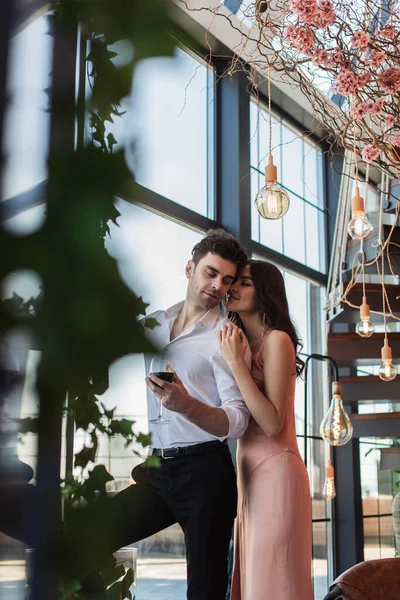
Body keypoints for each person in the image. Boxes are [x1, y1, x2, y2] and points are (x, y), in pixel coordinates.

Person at [91, 229, 250, 600]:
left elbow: (238, 419)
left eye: (226, 280)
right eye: (210, 273)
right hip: (158, 472)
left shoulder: (225, 336)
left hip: (206, 476)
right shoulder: (156, 323)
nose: (217, 285)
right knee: (88, 539)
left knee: (205, 592)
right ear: (189, 268)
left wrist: (186, 405)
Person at [219, 259, 313, 600]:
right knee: (254, 580)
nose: (233, 288)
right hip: (248, 475)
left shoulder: (278, 341)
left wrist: (235, 365)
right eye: (234, 281)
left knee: (273, 582)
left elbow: (272, 423)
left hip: (277, 472)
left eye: (244, 282)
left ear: (265, 293)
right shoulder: (242, 344)